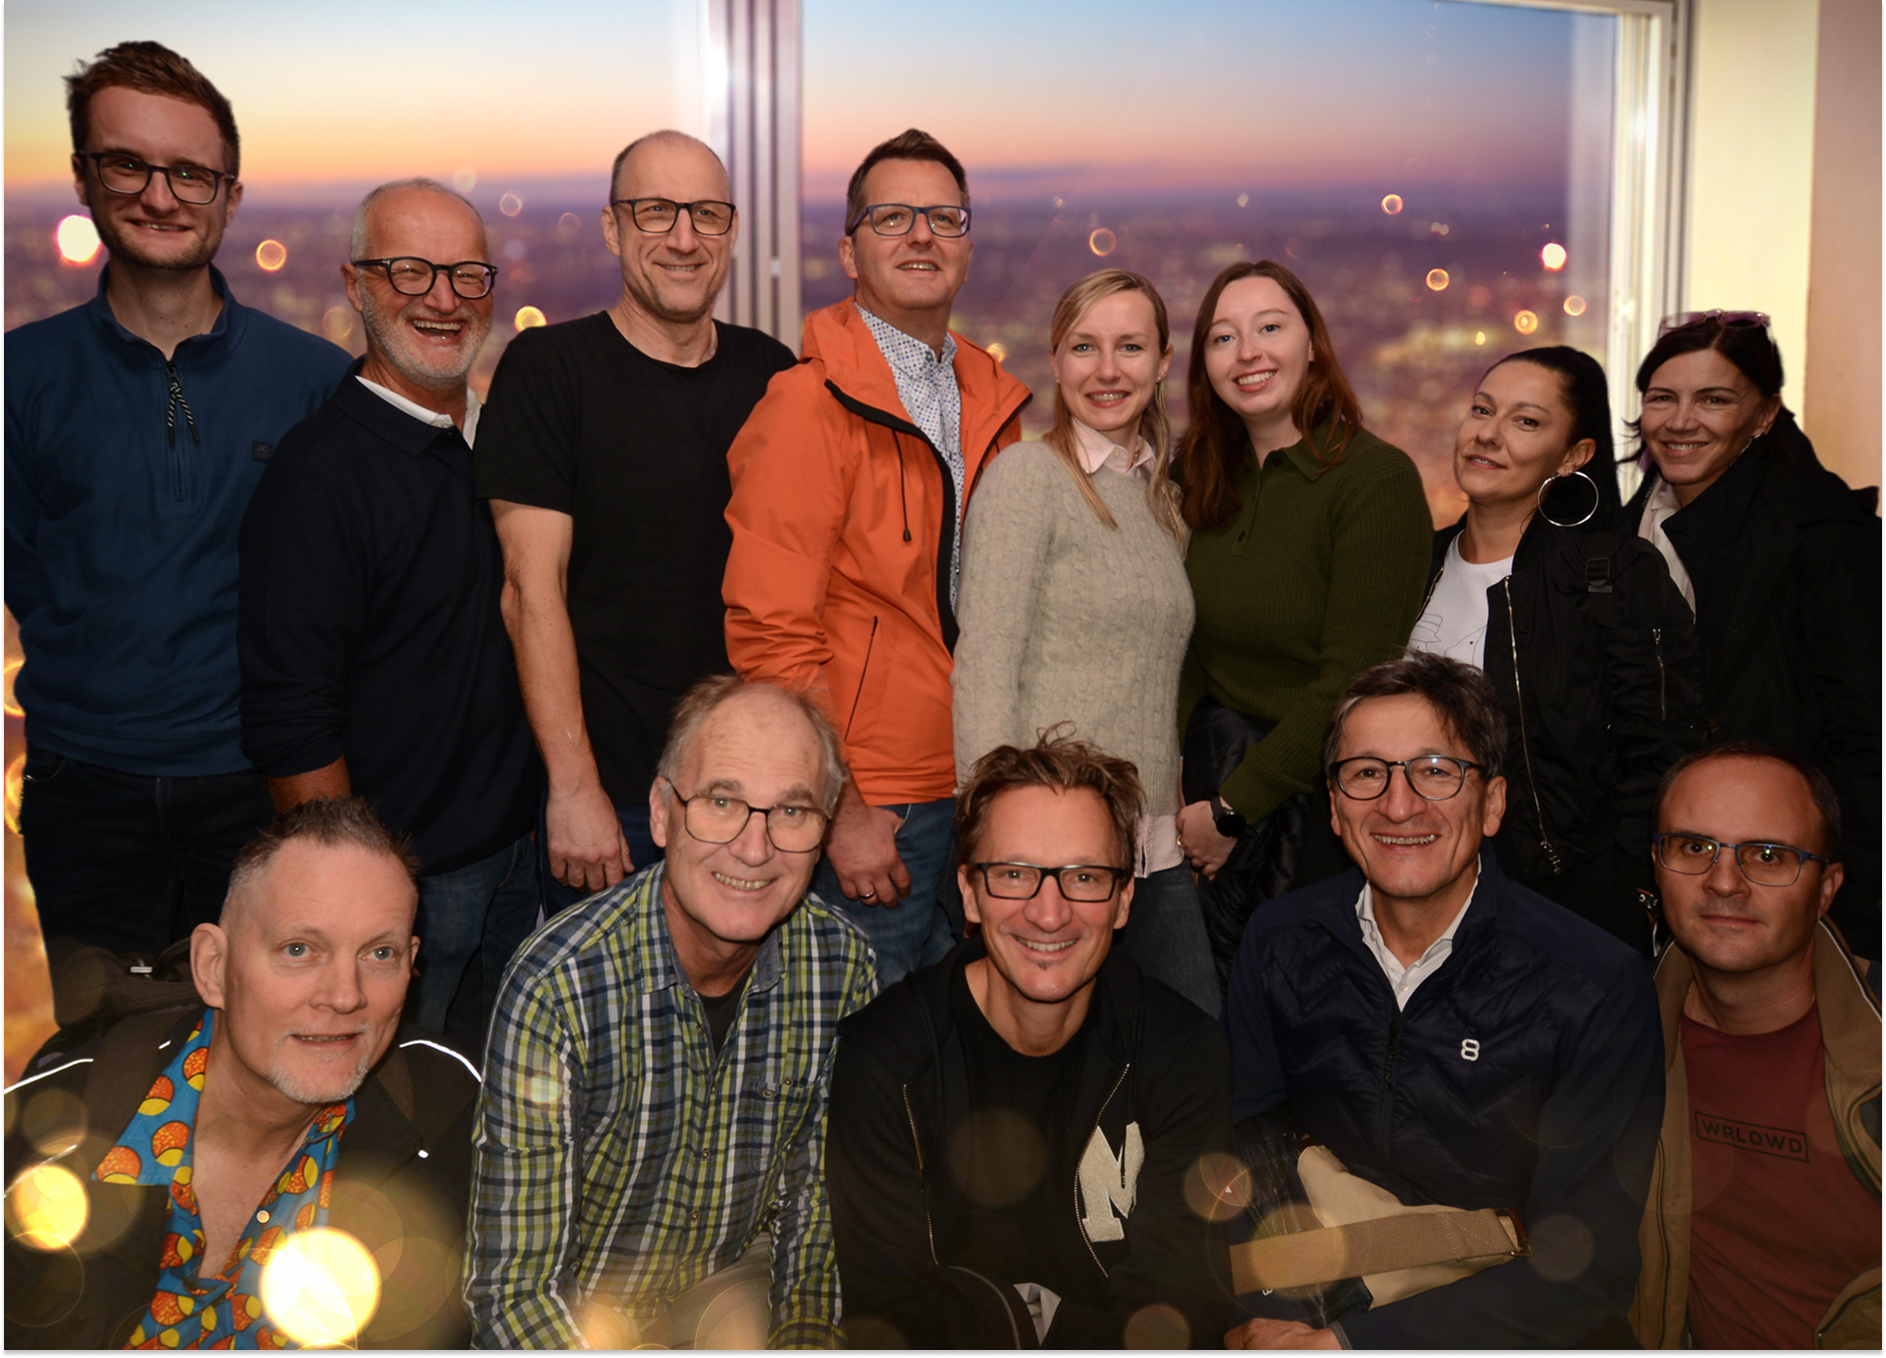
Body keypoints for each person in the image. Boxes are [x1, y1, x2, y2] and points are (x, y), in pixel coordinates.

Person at [4, 41, 351, 955]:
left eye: (191, 174)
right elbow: (27, 575)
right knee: (104, 1063)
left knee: (271, 1056)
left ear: (231, 194)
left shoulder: (314, 379)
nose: (159, 196)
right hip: (85, 792)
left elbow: (344, 594)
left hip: (266, 786)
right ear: (84, 177)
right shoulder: (20, 380)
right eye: (128, 163)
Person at [1223, 651, 1663, 1350]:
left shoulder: (1595, 985)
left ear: (1491, 804)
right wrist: (1270, 1316)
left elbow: (1588, 1267)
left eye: (1436, 770)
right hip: (1318, 1298)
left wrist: (1353, 1346)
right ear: (1335, 809)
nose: (1399, 805)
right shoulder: (1279, 942)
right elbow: (1245, 1150)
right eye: (1367, 773)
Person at [465, 676, 877, 1348]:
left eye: (792, 813)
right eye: (722, 801)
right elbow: (516, 1293)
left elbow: (814, 1222)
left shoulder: (843, 970)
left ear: (825, 832)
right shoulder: (559, 986)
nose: (754, 847)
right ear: (661, 812)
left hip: (729, 1293)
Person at [2, 797, 480, 1350]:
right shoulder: (46, 1134)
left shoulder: (447, 1110)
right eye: (299, 949)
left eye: (380, 953)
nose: (346, 997)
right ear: (214, 967)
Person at [724, 129, 1030, 988]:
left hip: (977, 780)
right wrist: (843, 806)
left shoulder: (991, 399)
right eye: (891, 217)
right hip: (879, 796)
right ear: (849, 250)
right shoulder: (805, 406)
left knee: (945, 1046)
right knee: (858, 1052)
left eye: (943, 216)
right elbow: (769, 634)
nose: (921, 235)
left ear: (968, 246)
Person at [238, 180, 540, 1049]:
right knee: (388, 1131)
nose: (444, 299)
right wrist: (354, 901)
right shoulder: (319, 476)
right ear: (355, 283)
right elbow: (290, 719)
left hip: (521, 861)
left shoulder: (500, 442)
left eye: (467, 274)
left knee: (492, 1118)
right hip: (410, 886)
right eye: (411, 271)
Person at [475, 131, 795, 913]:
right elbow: (529, 592)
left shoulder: (775, 374)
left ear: (732, 232)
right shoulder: (550, 371)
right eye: (657, 212)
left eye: (707, 215)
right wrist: (573, 788)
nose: (685, 239)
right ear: (614, 229)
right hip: (614, 801)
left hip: (752, 800)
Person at [828, 732, 1234, 1348]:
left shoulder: (1182, 1053)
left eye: (1085, 877)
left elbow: (1183, 1312)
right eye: (1014, 874)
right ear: (968, 891)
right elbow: (889, 1320)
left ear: (1124, 899)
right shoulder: (887, 1060)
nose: (1049, 914)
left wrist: (1033, 1324)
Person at [953, 269, 1215, 1014]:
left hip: (1151, 847)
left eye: (1129, 347)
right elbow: (986, 666)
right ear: (1056, 359)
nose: (1107, 371)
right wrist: (993, 851)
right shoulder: (1028, 477)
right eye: (1084, 347)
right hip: (1049, 860)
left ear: (1164, 361)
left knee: (1185, 1054)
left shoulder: (1162, 499)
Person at [1172, 260, 1431, 982]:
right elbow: (1182, 641)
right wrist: (1181, 792)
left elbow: (1351, 683)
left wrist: (1230, 812)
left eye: (1269, 328)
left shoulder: (1374, 480)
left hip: (1314, 814)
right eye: (1223, 337)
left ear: (1312, 343)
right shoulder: (1196, 475)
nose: (1247, 352)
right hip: (1205, 787)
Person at [1410, 346, 1704, 951]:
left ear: (1575, 456)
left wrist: (1632, 890)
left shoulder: (1611, 572)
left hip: (1562, 906)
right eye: (1481, 410)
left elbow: (1663, 750)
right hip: (1416, 883)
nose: (1487, 435)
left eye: (1526, 422)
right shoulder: (1412, 566)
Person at [1622, 313, 1881, 958]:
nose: (1681, 421)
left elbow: (1864, 735)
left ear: (1764, 415)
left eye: (1714, 399)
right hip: (1666, 869)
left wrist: (1854, 911)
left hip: (1783, 880)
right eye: (1663, 397)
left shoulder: (1823, 539)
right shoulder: (1625, 531)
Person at [1631, 743, 1880, 1350]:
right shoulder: (1615, 1038)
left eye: (1768, 855)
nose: (1723, 882)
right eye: (1694, 847)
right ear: (1657, 866)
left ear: (1826, 889)